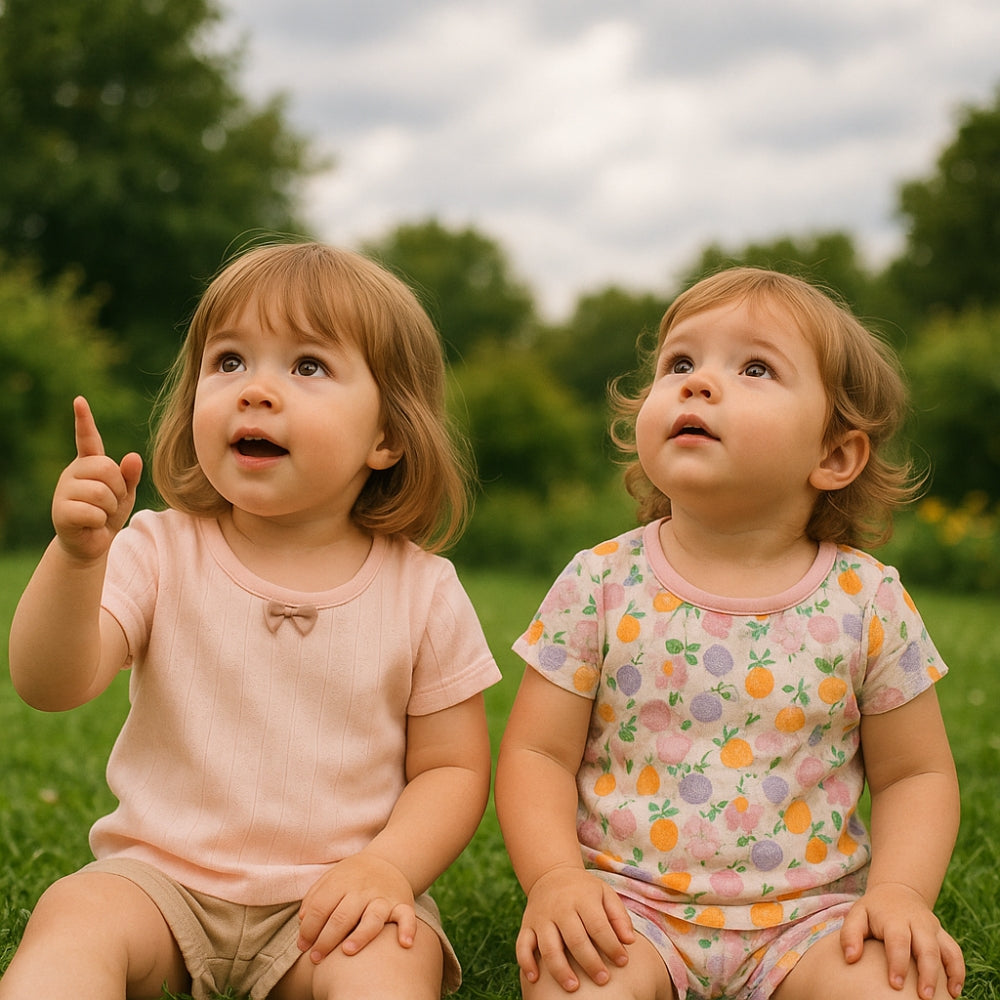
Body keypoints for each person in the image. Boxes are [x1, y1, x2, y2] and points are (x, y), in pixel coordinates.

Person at [3, 241, 500, 1000]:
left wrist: (388, 867)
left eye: (307, 367)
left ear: (387, 436)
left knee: (394, 964)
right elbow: (50, 684)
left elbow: (453, 768)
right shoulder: (161, 549)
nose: (255, 391)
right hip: (158, 882)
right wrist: (76, 560)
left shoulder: (423, 591)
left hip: (337, 901)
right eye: (229, 361)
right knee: (76, 913)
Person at [496, 267, 965, 1000]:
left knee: (894, 987)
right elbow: (535, 752)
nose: (699, 383)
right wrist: (557, 879)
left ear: (833, 455)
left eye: (754, 367)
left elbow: (917, 774)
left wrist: (900, 892)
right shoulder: (599, 582)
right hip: (627, 911)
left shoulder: (868, 600)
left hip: (814, 919)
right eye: (679, 363)